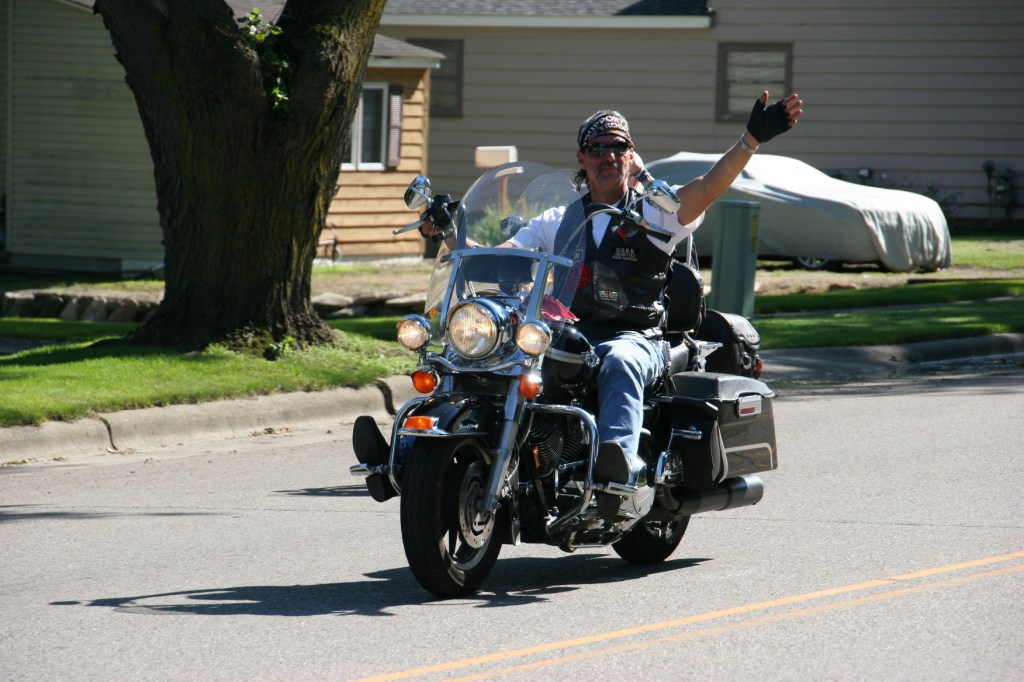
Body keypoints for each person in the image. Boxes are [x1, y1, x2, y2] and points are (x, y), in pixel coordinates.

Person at [421, 91, 803, 503]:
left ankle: (616, 468)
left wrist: (750, 141)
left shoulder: (656, 211)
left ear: (631, 156)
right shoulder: (560, 218)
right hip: (567, 331)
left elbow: (708, 188)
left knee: (619, 361)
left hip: (637, 336)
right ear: (582, 158)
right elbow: (503, 258)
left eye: (618, 147)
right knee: (498, 355)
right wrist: (451, 230)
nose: (608, 155)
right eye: (597, 148)